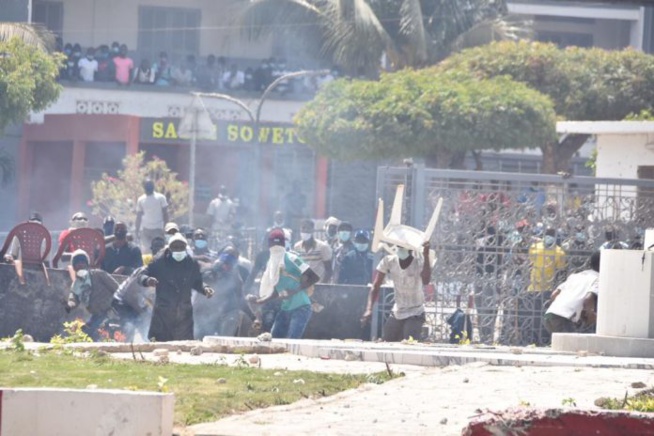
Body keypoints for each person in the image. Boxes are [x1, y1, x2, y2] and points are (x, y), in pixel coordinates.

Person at [139, 233, 214, 341]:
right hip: (163, 316)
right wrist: (147, 280)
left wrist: (205, 288)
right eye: (175, 247)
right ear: (169, 249)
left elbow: (197, 282)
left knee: (184, 350)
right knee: (160, 349)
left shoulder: (191, 263)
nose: (178, 250)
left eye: (181, 247)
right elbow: (141, 275)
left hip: (184, 316)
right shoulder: (159, 262)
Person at [248, 229, 319, 339]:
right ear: (269, 245)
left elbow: (314, 277)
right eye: (273, 244)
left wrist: (293, 291)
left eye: (278, 245)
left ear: (283, 244)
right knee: (274, 340)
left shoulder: (293, 258)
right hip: (285, 309)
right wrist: (258, 301)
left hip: (301, 308)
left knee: (292, 342)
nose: (276, 248)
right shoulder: (272, 263)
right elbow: (276, 291)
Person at [361, 241, 433, 342]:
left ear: (410, 250)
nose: (400, 250)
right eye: (399, 247)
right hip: (398, 310)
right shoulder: (389, 261)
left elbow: (426, 280)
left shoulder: (418, 262)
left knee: (410, 338)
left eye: (403, 248)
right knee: (388, 338)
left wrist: (426, 255)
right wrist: (369, 309)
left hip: (415, 311)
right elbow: (376, 286)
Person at [193, 245, 256, 339]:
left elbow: (240, 299)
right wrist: (212, 271)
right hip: (205, 315)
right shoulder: (207, 269)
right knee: (202, 342)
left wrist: (253, 317)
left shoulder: (235, 277)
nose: (229, 259)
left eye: (234, 257)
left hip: (226, 315)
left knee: (232, 319)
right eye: (227, 254)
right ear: (219, 255)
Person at [66, 249, 120, 341]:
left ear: (86, 264)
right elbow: (73, 298)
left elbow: (117, 288)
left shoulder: (98, 274)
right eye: (77, 263)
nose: (80, 265)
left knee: (95, 331)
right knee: (84, 331)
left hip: (110, 311)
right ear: (74, 267)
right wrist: (69, 305)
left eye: (82, 262)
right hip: (96, 315)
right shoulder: (77, 284)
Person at [544, 251, 601, 334]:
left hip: (550, 315)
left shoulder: (576, 275)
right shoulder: (598, 279)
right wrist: (590, 314)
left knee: (562, 345)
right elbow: (588, 299)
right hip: (564, 317)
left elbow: (554, 294)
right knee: (572, 346)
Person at [135, 179, 169, 254]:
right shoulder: (141, 199)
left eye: (150, 186)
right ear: (144, 187)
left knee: (159, 250)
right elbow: (138, 216)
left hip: (158, 229)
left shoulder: (161, 198)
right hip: (145, 230)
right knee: (147, 251)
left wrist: (166, 227)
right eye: (146, 186)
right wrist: (137, 230)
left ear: (153, 187)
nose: (148, 187)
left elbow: (165, 214)